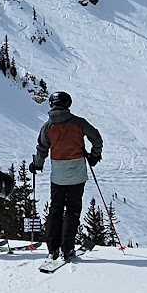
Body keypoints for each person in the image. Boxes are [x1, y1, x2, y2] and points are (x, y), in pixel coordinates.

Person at [29, 91, 103, 269]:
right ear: (68, 104)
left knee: (55, 210)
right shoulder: (78, 123)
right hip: (77, 173)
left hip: (58, 175)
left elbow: (42, 148)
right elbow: (96, 138)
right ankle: (67, 248)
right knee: (72, 210)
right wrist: (94, 156)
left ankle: (52, 248)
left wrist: (37, 165)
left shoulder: (48, 127)